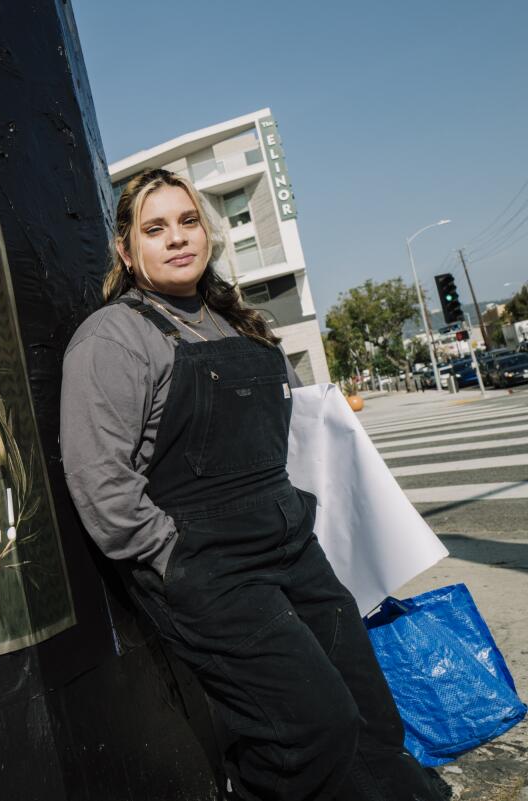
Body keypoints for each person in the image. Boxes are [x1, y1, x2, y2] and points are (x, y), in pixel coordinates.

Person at [60, 168, 442, 801]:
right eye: (155, 229)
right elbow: (100, 482)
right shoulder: (114, 337)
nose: (178, 239)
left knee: (369, 714)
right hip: (208, 570)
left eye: (188, 222)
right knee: (311, 728)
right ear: (127, 252)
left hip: (291, 548)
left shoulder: (236, 323)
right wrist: (174, 560)